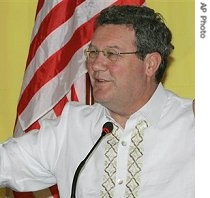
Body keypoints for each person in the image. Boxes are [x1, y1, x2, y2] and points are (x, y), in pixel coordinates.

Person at [0, 5, 194, 198]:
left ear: (150, 64)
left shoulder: (193, 124)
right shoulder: (71, 127)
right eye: (93, 53)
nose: (96, 65)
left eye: (112, 54)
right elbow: (6, 163)